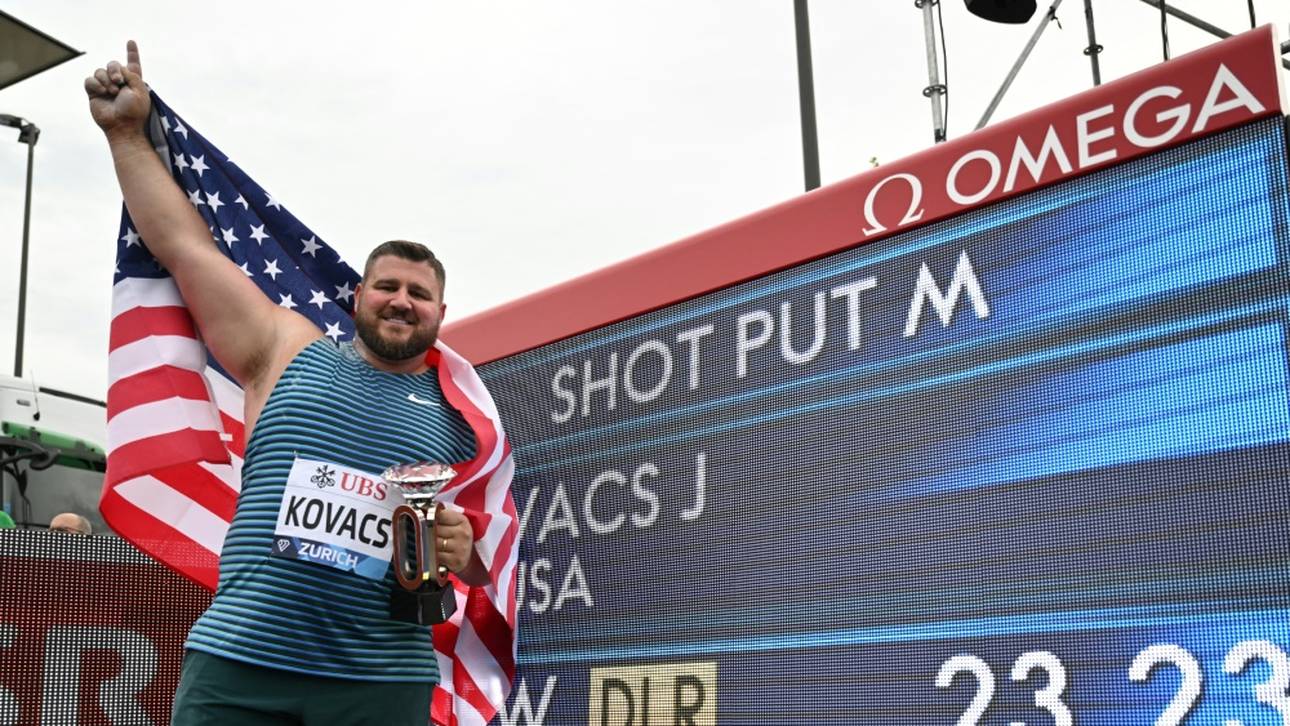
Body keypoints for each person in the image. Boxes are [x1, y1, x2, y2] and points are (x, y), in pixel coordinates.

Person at [86, 42, 497, 725]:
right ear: (359, 296)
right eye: (387, 286)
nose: (401, 301)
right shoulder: (284, 347)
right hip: (243, 664)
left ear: (441, 314)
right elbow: (185, 247)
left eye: (419, 294)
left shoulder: (465, 416)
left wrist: (464, 549)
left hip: (381, 680)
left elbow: (491, 563)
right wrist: (126, 134)